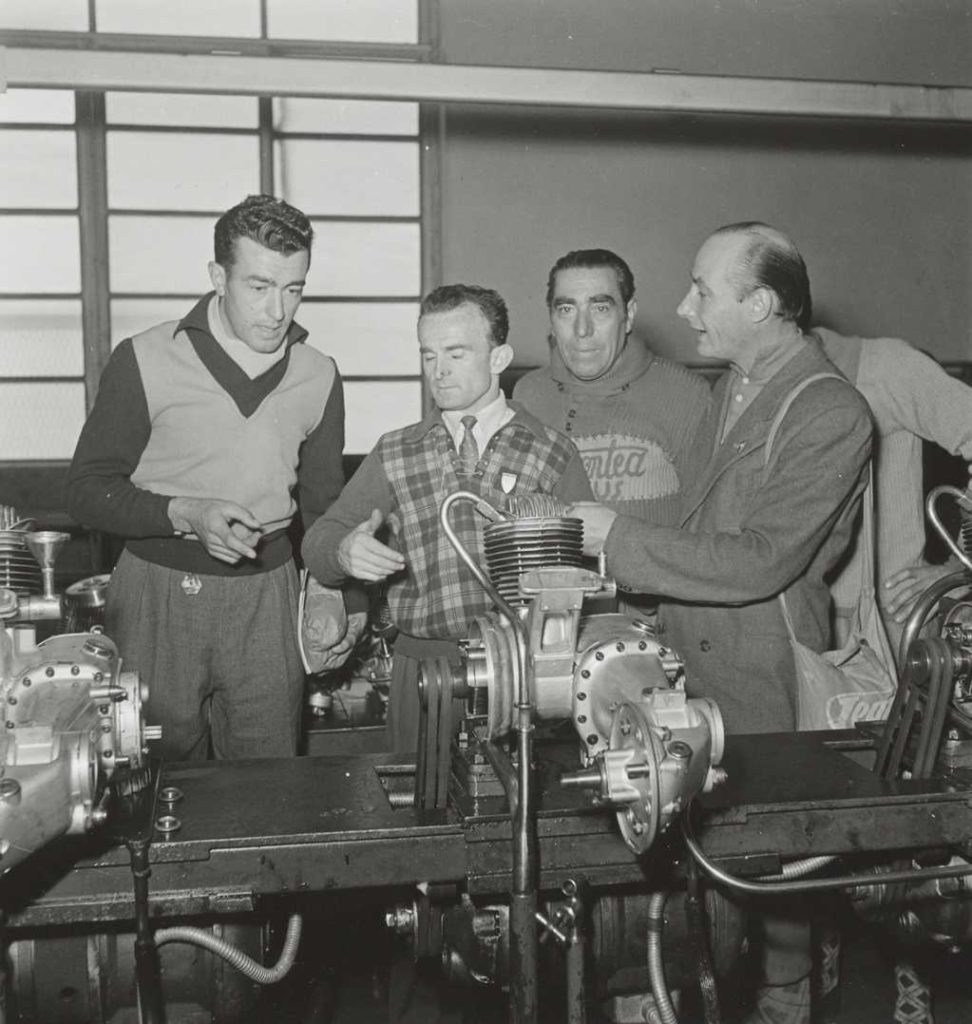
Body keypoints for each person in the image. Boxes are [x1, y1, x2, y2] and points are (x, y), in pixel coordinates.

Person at [571, 222, 873, 1024]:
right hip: (691, 669)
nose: (684, 306)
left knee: (769, 885)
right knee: (706, 885)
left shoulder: (830, 410)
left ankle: (784, 1002)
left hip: (759, 681)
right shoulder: (730, 389)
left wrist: (621, 541)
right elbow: (690, 522)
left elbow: (760, 558)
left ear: (762, 303)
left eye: (703, 290)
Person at [66, 194, 357, 762]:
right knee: (150, 783)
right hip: (155, 596)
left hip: (269, 599)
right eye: (259, 286)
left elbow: (326, 510)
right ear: (217, 276)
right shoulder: (146, 358)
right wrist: (183, 512)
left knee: (268, 785)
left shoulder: (318, 375)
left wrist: (330, 595)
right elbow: (85, 490)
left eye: (293, 288)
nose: (278, 311)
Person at [301, 283, 593, 753]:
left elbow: (588, 574)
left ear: (499, 358)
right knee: (421, 808)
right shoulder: (396, 451)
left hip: (521, 667)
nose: (439, 371)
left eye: (456, 353)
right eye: (429, 355)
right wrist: (342, 550)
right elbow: (318, 541)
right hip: (423, 667)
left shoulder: (552, 451)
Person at [513, 248, 711, 528]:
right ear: (552, 321)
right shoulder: (528, 396)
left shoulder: (686, 394)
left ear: (628, 315)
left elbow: (707, 533)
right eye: (567, 310)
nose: (582, 329)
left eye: (600, 308)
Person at [812, 327, 972, 655]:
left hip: (887, 622)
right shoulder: (745, 384)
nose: (689, 311)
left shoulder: (885, 367)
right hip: (804, 619)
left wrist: (961, 566)